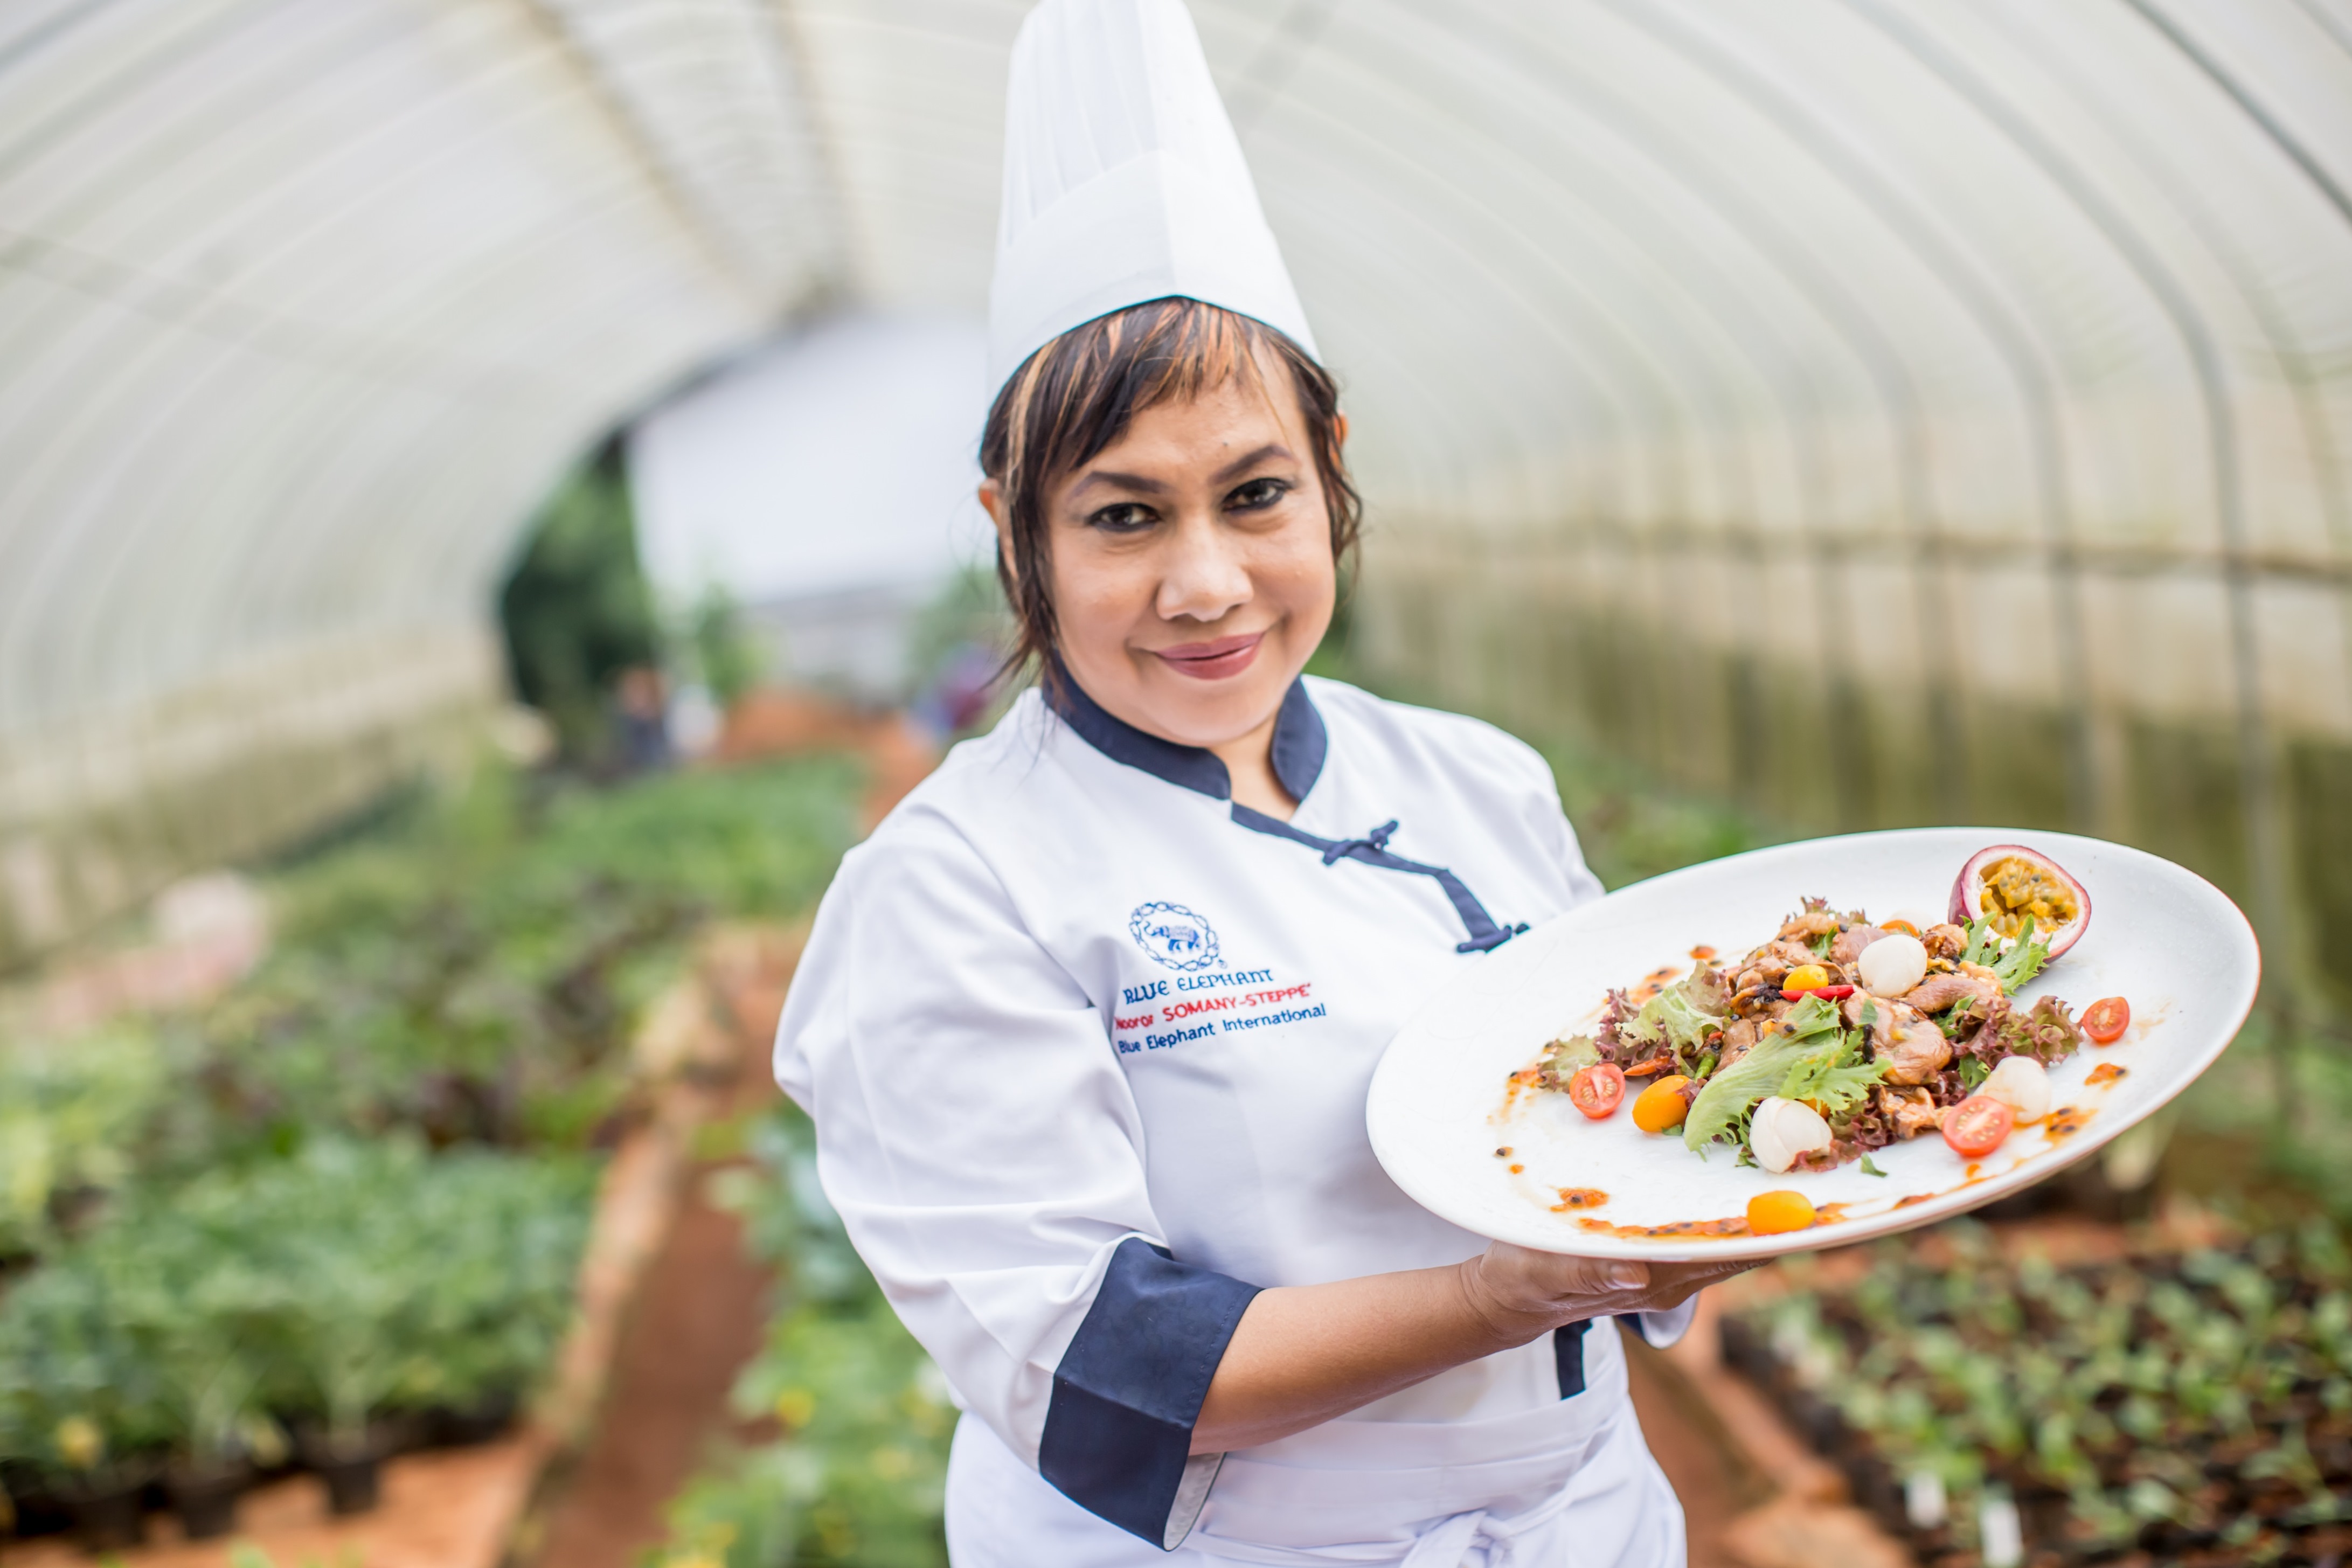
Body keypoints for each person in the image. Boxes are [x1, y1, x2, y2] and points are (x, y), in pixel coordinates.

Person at [772, 3, 1749, 1562]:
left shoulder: (1476, 778)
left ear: (1331, 465)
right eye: (1123, 518)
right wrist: (1498, 1297)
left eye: (1256, 494)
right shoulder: (958, 883)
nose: (1209, 581)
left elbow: (1621, 1114)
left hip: (1586, 1522)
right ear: (1013, 528)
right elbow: (1098, 1359)